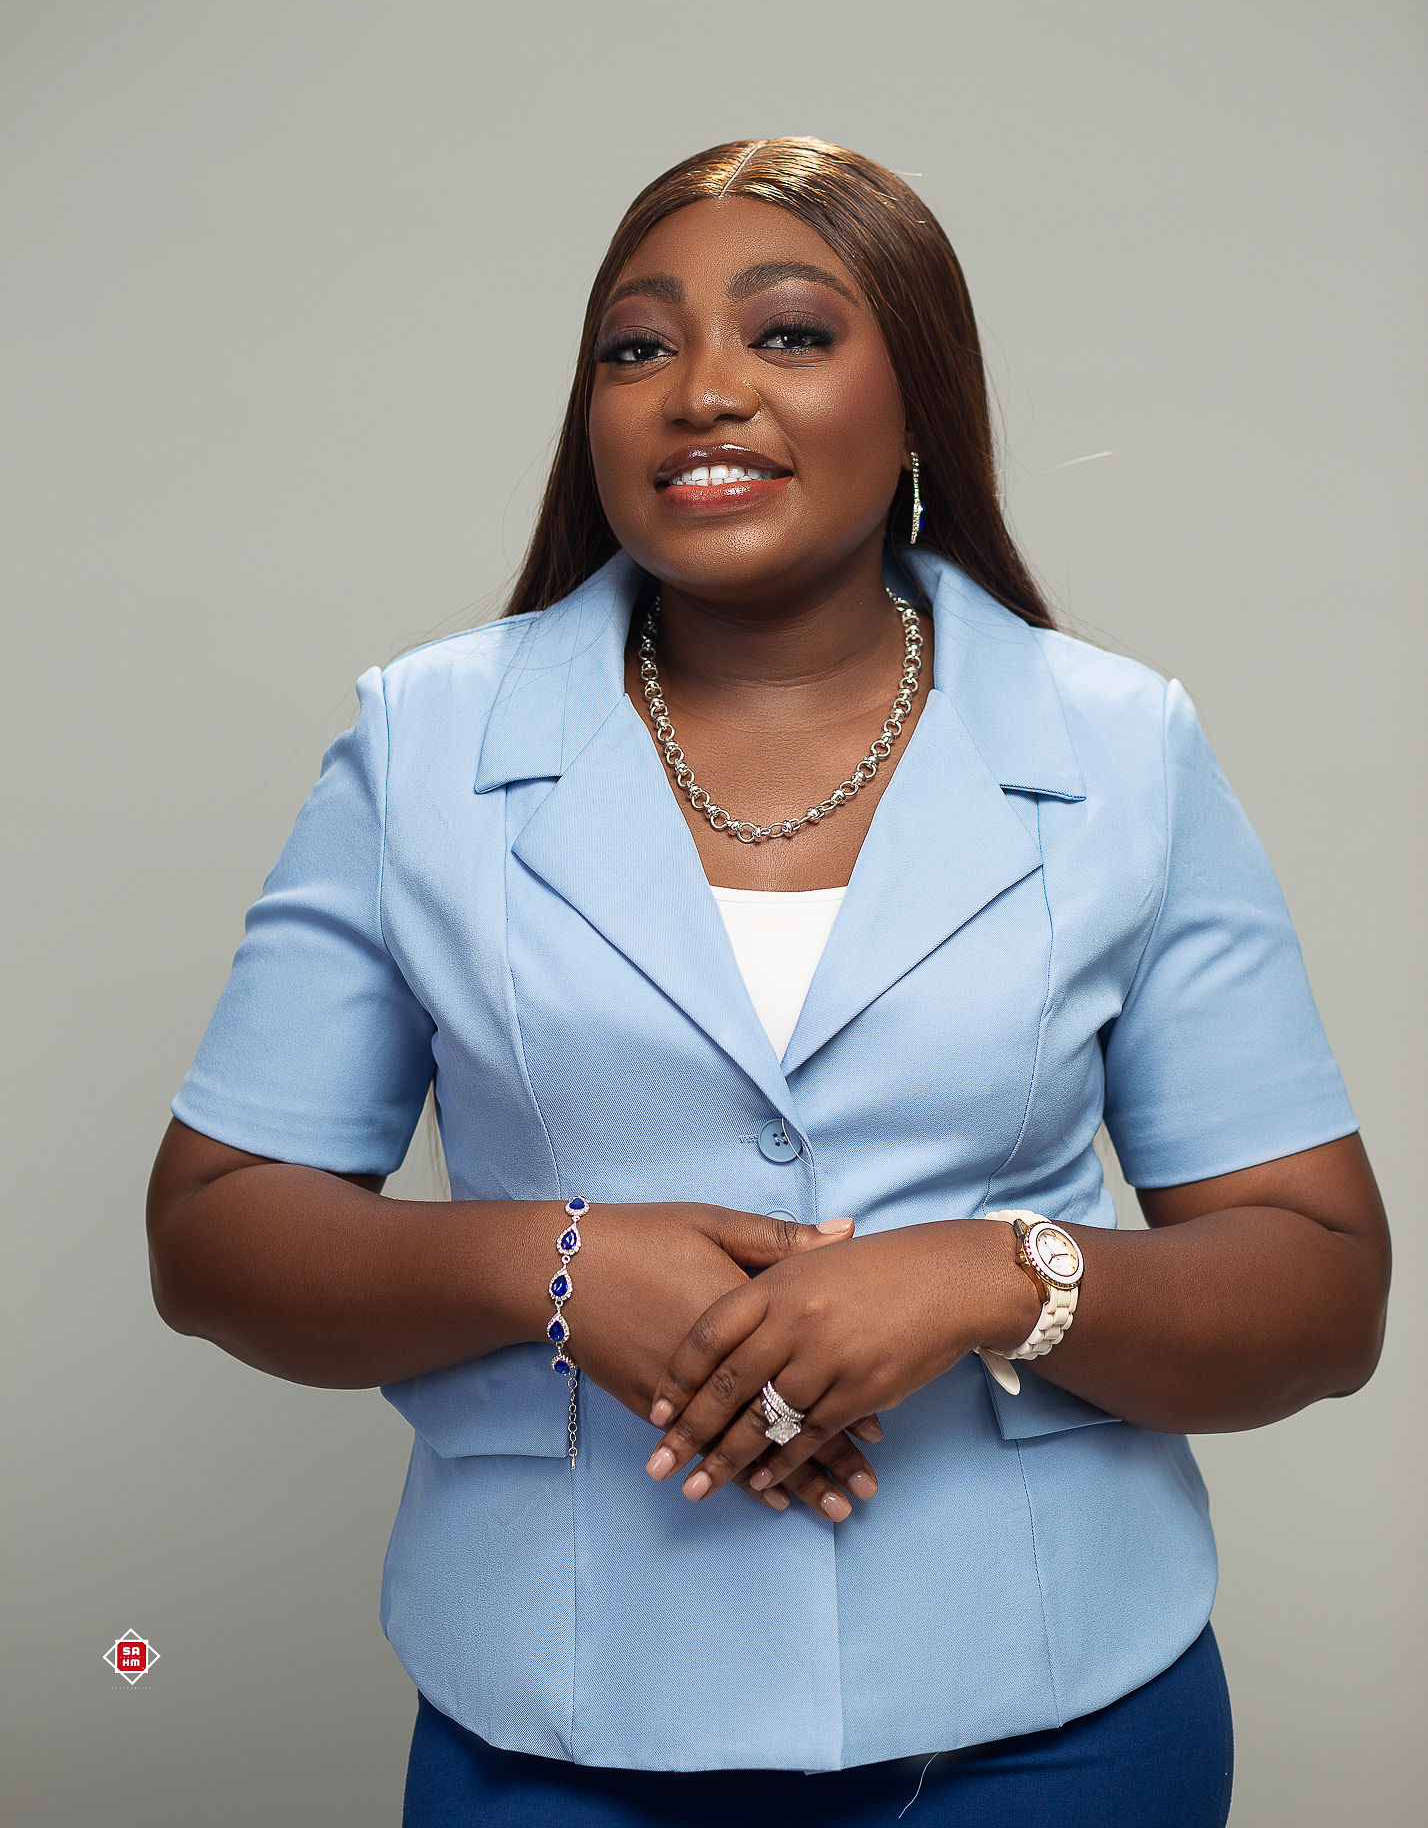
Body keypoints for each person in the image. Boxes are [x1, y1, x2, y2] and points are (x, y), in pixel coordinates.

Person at [146, 137, 1391, 1827]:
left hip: (1056, 1724)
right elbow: (213, 1231)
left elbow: (1321, 1287)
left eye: (789, 333)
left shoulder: (1121, 750)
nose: (703, 391)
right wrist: (558, 1265)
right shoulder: (421, 743)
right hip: (560, 1726)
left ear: (920, 399)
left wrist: (989, 1277)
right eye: (637, 347)